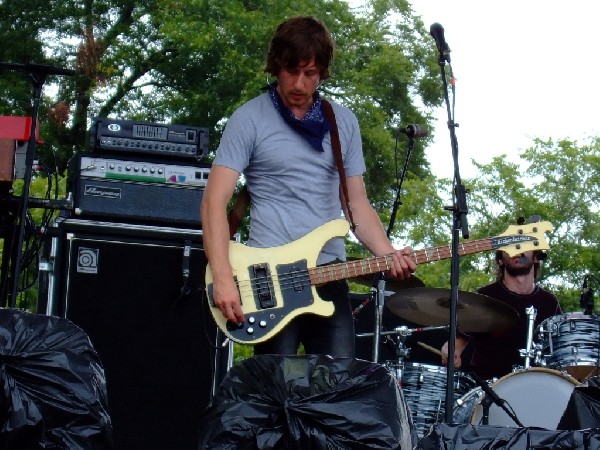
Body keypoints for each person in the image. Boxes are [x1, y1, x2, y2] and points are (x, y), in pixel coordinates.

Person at [201, 16, 416, 357]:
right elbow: (214, 202)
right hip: (269, 276)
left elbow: (356, 205)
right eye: (291, 70)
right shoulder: (249, 119)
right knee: (276, 392)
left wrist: (388, 254)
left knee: (337, 391)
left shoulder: (342, 122)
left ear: (322, 73)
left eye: (310, 73)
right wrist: (224, 278)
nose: (299, 84)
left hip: (329, 271)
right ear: (276, 66)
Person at [441, 227, 562, 381]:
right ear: (500, 260)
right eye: (510, 247)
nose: (517, 250)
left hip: (535, 387)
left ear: (536, 257)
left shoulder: (549, 303)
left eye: (524, 245)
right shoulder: (484, 298)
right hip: (489, 391)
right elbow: (456, 343)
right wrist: (450, 350)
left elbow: (560, 352)